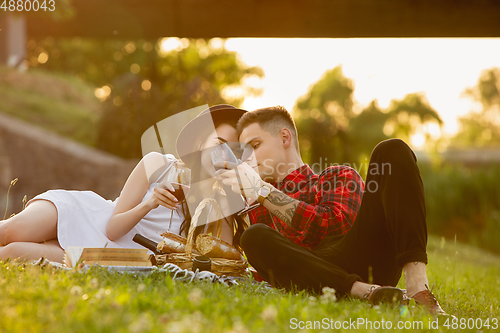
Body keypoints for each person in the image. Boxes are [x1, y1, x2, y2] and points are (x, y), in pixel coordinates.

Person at [217, 106, 450, 315]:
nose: (248, 159)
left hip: (363, 257)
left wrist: (263, 191)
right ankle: (365, 292)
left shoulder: (336, 176)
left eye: (254, 146)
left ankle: (419, 289)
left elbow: (332, 226)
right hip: (315, 276)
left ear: (285, 137)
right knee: (254, 236)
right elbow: (270, 268)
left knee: (391, 149)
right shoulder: (255, 207)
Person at [0, 105, 248, 262]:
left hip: (109, 254)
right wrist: (149, 203)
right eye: (220, 144)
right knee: (11, 232)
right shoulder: (158, 164)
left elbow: (223, 262)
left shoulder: (219, 204)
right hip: (86, 215)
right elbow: (113, 228)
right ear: (200, 142)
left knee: (12, 253)